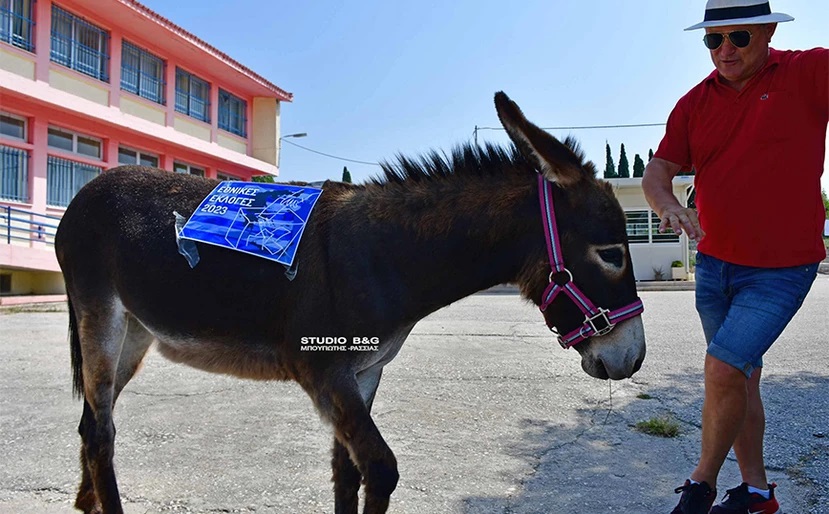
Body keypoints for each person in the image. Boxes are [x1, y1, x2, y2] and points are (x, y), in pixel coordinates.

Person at [642, 1, 828, 513]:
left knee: (724, 369)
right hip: (714, 267)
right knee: (741, 377)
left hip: (781, 270)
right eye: (713, 39)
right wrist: (666, 204)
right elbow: (658, 170)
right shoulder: (694, 102)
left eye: (739, 37)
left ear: (767, 33)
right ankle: (757, 493)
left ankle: (700, 486)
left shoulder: (807, 72)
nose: (724, 50)